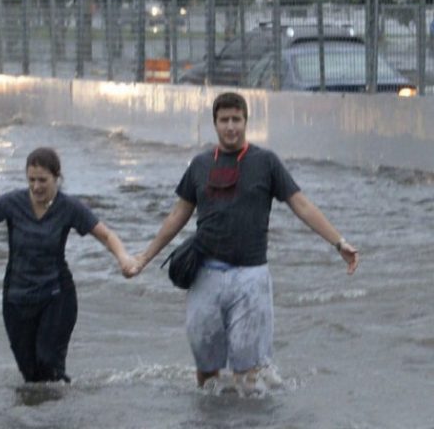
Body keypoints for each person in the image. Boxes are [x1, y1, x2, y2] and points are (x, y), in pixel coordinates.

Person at [128, 92, 359, 391]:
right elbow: (177, 216)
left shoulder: (266, 162)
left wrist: (339, 243)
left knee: (247, 375)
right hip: (205, 276)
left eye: (236, 119)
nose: (231, 126)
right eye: (224, 120)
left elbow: (301, 205)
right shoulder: (199, 165)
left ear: (246, 121)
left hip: (251, 278)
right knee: (206, 369)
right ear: (215, 124)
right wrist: (144, 258)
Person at [0, 147, 135, 383]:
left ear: (57, 178)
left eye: (43, 180)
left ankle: (58, 415)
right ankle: (35, 416)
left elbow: (106, 235)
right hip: (16, 297)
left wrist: (124, 259)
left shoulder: (69, 207)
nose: (36, 187)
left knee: (49, 364)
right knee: (30, 374)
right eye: (31, 180)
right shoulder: (11, 202)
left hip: (56, 296)